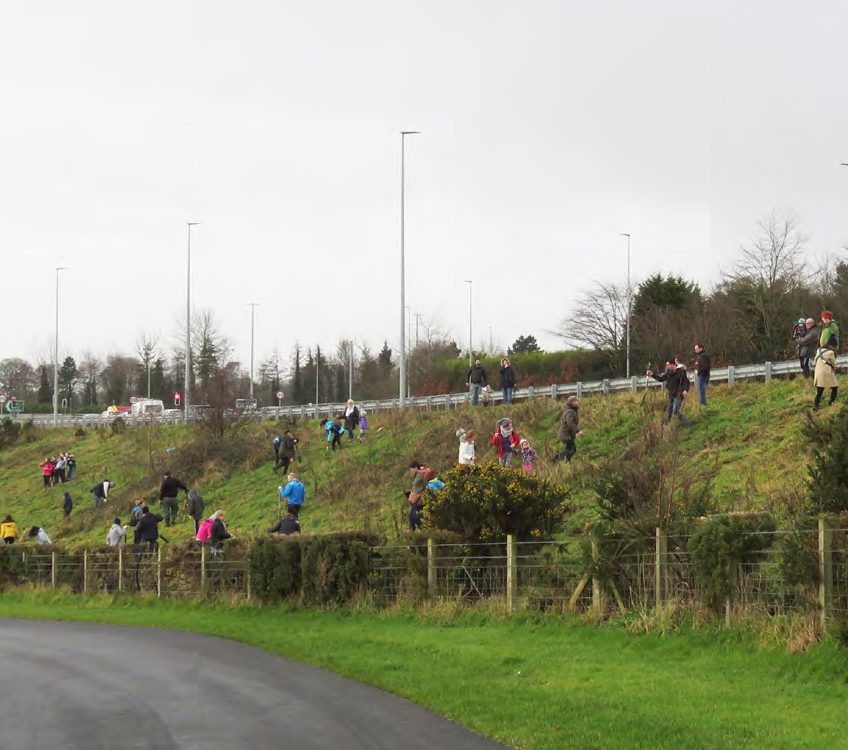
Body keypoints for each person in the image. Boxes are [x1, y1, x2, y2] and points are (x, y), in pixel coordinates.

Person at [648, 358, 690, 426]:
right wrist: (652, 375)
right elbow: (661, 379)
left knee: (675, 410)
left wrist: (685, 390)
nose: (667, 367)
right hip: (671, 394)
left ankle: (686, 423)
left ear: (672, 364)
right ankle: (667, 426)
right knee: (669, 411)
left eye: (668, 365)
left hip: (678, 394)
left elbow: (686, 382)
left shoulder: (681, 372)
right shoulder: (668, 373)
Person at [814, 335, 839, 411]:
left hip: (818, 372)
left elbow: (815, 360)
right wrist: (834, 368)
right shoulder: (831, 352)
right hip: (826, 373)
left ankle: (816, 406)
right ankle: (831, 402)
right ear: (831, 345)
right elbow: (834, 364)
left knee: (819, 391)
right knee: (835, 387)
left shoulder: (819, 350)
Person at [555, 396, 583, 463]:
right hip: (566, 435)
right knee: (571, 449)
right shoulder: (570, 412)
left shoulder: (572, 411)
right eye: (576, 401)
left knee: (571, 449)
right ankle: (556, 458)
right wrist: (578, 431)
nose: (578, 402)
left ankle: (566, 461)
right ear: (572, 402)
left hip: (567, 434)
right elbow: (570, 423)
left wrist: (575, 433)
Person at [406, 461, 430, 532]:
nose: (411, 471)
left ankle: (423, 529)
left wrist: (423, 493)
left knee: (415, 517)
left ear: (416, 467)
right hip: (415, 500)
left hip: (420, 500)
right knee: (411, 517)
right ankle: (412, 531)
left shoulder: (422, 474)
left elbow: (426, 485)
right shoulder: (417, 475)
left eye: (412, 469)